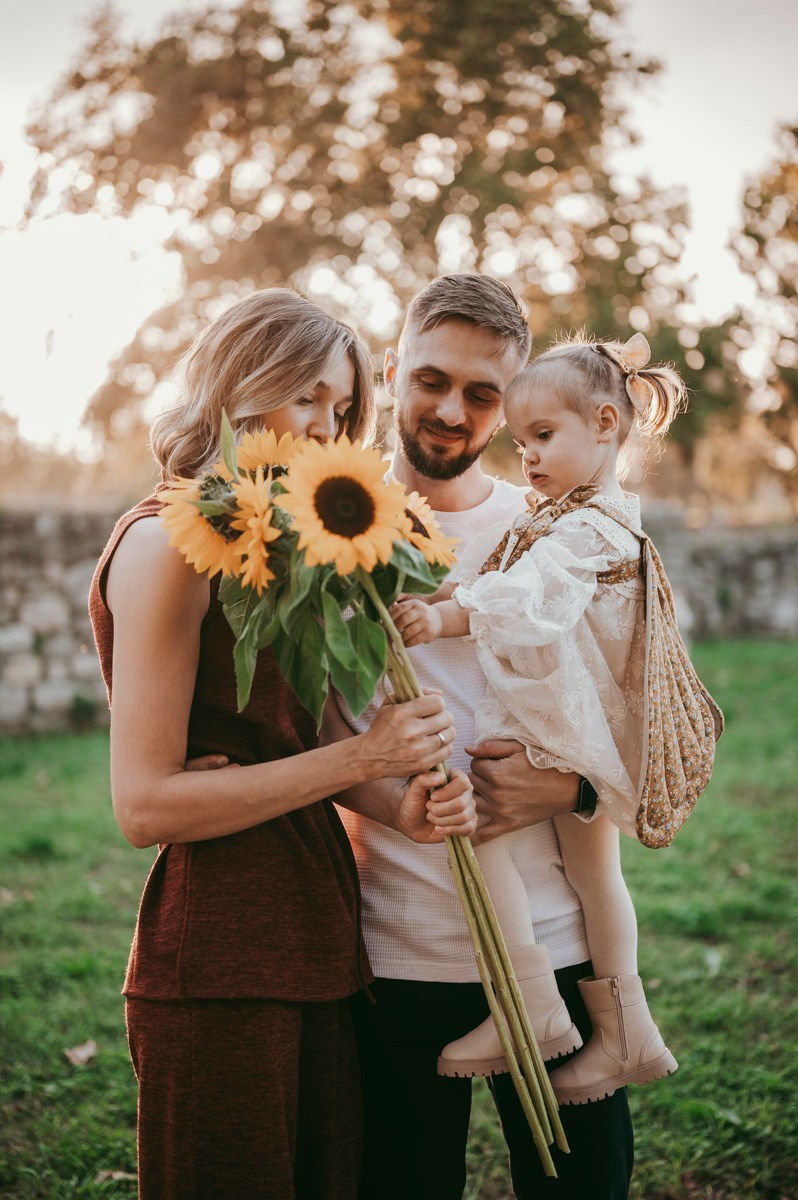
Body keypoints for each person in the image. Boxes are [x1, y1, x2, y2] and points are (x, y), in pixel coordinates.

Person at [87, 287, 477, 1200]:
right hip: (220, 957)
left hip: (320, 942)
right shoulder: (166, 545)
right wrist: (361, 759)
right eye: (304, 397)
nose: (322, 429)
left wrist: (401, 803)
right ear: (238, 383)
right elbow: (144, 806)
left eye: (340, 410)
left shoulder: (272, 554)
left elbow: (294, 747)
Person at [334, 274, 634, 1200]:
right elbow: (302, 736)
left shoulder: (558, 524)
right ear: (389, 373)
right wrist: (385, 789)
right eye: (431, 379)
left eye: (483, 393)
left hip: (557, 940)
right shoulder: (321, 529)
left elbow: (646, 715)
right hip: (397, 944)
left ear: (514, 406)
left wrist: (571, 789)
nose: (452, 410)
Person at [391, 331, 684, 1104]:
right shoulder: (584, 512)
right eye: (522, 443)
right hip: (575, 727)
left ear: (606, 425)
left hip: (557, 729)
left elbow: (527, 594)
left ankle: (534, 1005)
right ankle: (625, 1029)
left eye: (543, 437)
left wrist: (444, 619)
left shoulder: (585, 528)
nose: (529, 458)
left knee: (488, 834)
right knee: (597, 877)